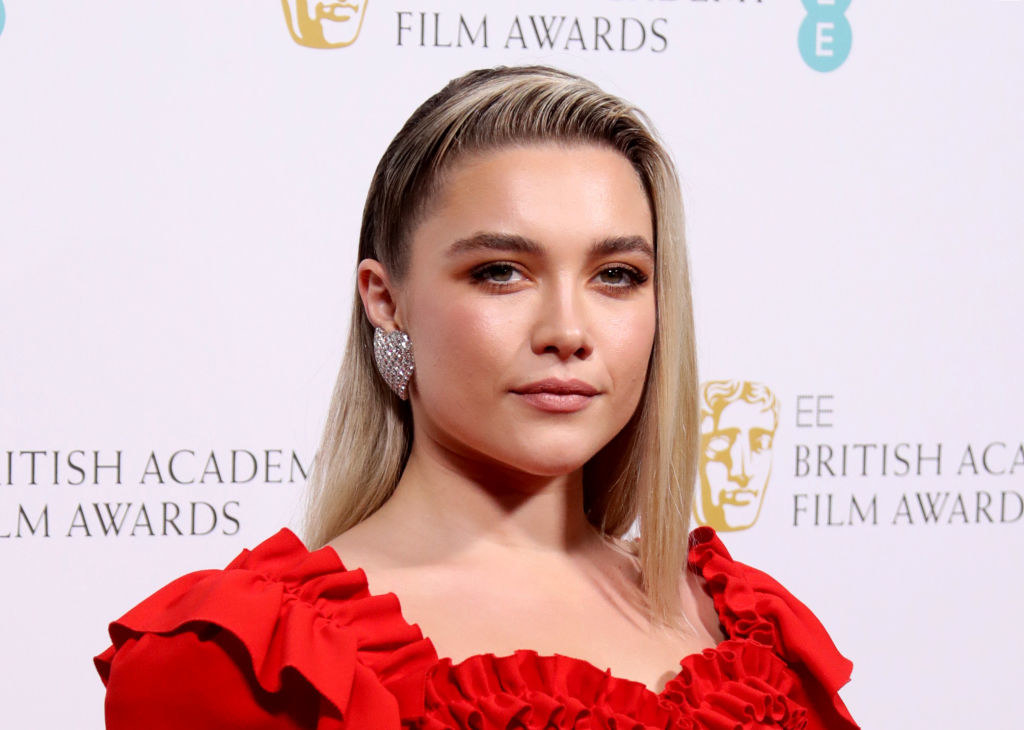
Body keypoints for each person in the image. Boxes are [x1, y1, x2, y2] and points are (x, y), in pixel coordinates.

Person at [94, 65, 859, 729]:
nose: (568, 330)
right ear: (385, 299)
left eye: (617, 275)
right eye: (501, 271)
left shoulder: (753, 629)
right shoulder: (244, 664)